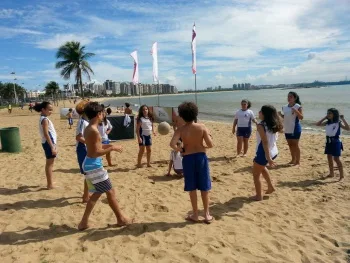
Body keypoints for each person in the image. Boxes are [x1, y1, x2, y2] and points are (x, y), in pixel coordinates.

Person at [78, 102, 132, 230]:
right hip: (94, 166)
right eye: (102, 113)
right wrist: (112, 148)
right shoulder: (94, 131)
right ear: (98, 114)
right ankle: (120, 219)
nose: (103, 115)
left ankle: (119, 219)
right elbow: (95, 152)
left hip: (91, 164)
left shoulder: (90, 127)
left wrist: (111, 146)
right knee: (101, 193)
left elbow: (96, 147)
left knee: (106, 192)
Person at [170, 102, 214, 224]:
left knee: (192, 188)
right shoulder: (202, 127)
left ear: (182, 115)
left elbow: (172, 144)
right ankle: (206, 214)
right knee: (204, 187)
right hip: (201, 157)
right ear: (195, 113)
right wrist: (204, 144)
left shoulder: (181, 129)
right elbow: (210, 144)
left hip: (188, 158)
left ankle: (195, 214)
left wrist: (181, 149)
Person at [252, 105, 283, 201]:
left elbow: (265, 142)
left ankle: (258, 196)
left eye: (261, 111)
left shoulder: (261, 125)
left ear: (265, 114)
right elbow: (281, 131)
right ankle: (270, 187)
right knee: (262, 168)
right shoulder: (274, 124)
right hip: (274, 151)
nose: (259, 113)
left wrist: (268, 158)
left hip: (265, 152)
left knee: (256, 174)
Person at [316, 109, 349, 181]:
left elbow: (348, 128)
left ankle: (342, 175)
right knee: (329, 157)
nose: (328, 114)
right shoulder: (327, 122)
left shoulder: (338, 123)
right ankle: (331, 173)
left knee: (336, 159)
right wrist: (325, 118)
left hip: (336, 141)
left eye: (330, 113)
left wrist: (343, 119)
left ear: (334, 114)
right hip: (328, 141)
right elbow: (317, 124)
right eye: (328, 113)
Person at [34, 101, 57, 189]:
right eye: (49, 110)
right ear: (43, 110)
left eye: (51, 110)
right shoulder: (44, 119)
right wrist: (52, 147)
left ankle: (50, 182)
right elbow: (46, 134)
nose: (51, 111)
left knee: (50, 164)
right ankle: (50, 184)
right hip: (48, 143)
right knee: (49, 164)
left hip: (48, 142)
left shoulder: (43, 118)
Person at [279, 91, 303, 166]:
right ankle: (293, 160)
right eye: (288, 96)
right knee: (290, 145)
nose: (289, 98)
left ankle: (298, 161)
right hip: (287, 128)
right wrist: (280, 115)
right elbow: (285, 118)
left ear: (295, 98)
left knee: (295, 145)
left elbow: (301, 117)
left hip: (295, 128)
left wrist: (296, 111)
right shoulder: (284, 107)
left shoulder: (298, 106)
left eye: (291, 97)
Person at [76, 102, 90, 202]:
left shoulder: (86, 121)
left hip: (86, 147)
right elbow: (78, 137)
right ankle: (85, 196)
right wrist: (89, 143)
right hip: (83, 148)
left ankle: (87, 194)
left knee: (89, 172)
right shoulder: (82, 121)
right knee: (87, 173)